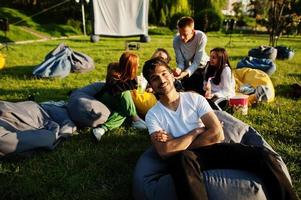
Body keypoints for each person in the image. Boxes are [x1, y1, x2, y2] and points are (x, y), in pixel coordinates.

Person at [142, 57, 297, 200]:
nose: (161, 80)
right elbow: (164, 152)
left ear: (172, 75)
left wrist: (177, 144)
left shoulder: (194, 98)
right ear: (150, 85)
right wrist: (196, 131)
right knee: (181, 160)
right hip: (186, 159)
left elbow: (217, 133)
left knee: (263, 155)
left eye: (164, 74)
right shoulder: (153, 115)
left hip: (212, 149)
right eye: (155, 78)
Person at [92, 52, 147, 141]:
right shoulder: (114, 71)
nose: (139, 65)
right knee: (125, 93)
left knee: (123, 111)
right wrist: (134, 84)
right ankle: (135, 119)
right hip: (107, 97)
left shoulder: (129, 75)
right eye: (136, 64)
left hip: (118, 102)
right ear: (130, 66)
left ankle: (101, 129)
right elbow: (115, 90)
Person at [173, 16, 209, 94]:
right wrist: (178, 69)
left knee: (201, 91)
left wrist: (185, 73)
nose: (182, 37)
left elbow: (196, 62)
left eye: (185, 34)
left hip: (202, 67)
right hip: (187, 69)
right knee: (186, 92)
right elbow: (180, 61)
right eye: (180, 33)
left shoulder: (201, 37)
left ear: (193, 31)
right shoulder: (176, 40)